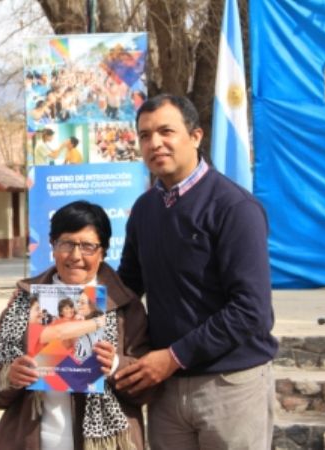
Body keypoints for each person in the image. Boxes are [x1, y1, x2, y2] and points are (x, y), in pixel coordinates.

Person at [114, 94, 278, 450]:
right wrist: (65, 304)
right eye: (144, 135)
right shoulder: (145, 210)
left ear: (196, 136)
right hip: (166, 391)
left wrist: (172, 357)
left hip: (230, 386)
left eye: (166, 131)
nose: (154, 143)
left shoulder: (234, 207)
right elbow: (126, 287)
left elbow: (251, 310)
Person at [0, 200, 153, 450]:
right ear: (52, 246)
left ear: (102, 251)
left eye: (87, 246)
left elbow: (147, 389)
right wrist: (10, 376)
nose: (75, 256)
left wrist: (115, 365)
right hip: (31, 441)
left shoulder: (125, 306)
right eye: (66, 244)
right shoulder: (25, 300)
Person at [73, 288, 105, 362]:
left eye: (82, 303)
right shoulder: (74, 322)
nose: (78, 305)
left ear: (93, 306)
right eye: (77, 302)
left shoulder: (102, 325)